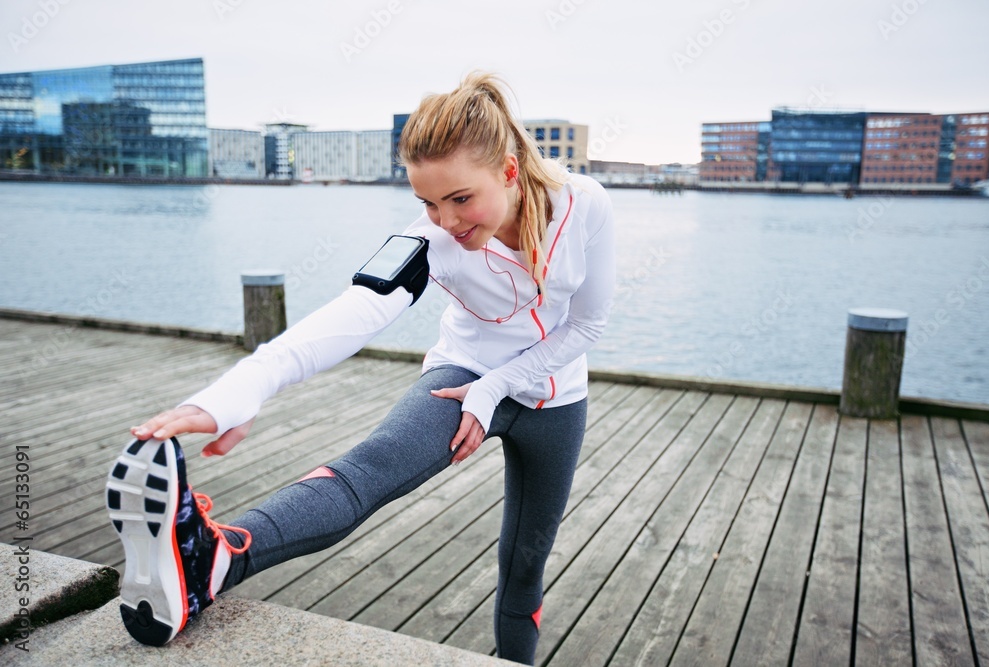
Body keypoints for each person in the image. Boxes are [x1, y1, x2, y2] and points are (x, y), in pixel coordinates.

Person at [105, 72, 615, 665]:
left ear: (506, 169)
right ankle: (210, 560)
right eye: (427, 201)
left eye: (459, 199)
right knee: (366, 470)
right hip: (460, 375)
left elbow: (586, 327)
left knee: (525, 565)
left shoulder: (582, 204)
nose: (445, 221)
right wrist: (235, 392)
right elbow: (351, 314)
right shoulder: (427, 240)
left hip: (554, 399)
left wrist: (497, 387)